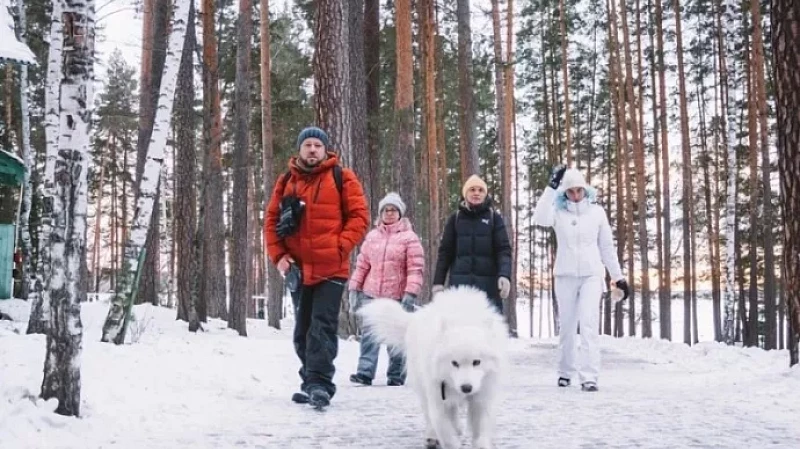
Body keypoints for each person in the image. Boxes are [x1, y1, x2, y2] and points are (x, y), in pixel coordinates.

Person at [265, 126, 369, 409]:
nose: (312, 150)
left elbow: (360, 217)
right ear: (300, 149)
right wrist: (280, 257)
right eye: (307, 145)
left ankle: (320, 384)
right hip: (298, 270)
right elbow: (271, 222)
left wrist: (340, 247)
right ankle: (310, 381)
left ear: (325, 150)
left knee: (321, 328)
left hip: (331, 270)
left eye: (317, 146)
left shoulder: (342, 177)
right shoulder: (286, 180)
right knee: (302, 331)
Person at [532, 165, 630, 392]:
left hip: (591, 275)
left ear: (585, 190)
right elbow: (539, 218)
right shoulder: (557, 212)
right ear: (564, 193)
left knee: (588, 324)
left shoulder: (597, 213)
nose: (575, 195)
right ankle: (565, 372)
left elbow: (606, 246)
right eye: (570, 191)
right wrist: (550, 187)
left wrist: (618, 276)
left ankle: (589, 377)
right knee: (567, 326)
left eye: (579, 190)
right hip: (565, 275)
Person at [347, 192, 425, 387]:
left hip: (396, 296)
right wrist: (354, 289)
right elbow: (362, 265)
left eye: (393, 210)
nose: (389, 213)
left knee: (395, 336)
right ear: (381, 214)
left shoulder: (409, 237)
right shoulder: (372, 237)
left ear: (400, 213)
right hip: (371, 293)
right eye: (386, 210)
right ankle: (365, 372)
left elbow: (415, 268)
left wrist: (410, 292)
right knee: (369, 335)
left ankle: (396, 374)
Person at [432, 174, 512, 314]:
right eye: (472, 189)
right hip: (460, 290)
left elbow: (503, 250)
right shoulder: (455, 219)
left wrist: (504, 275)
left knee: (489, 333)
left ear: (485, 194)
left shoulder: (494, 218)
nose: (476, 193)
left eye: (480, 190)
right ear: (465, 193)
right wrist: (438, 284)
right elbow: (445, 253)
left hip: (488, 291)